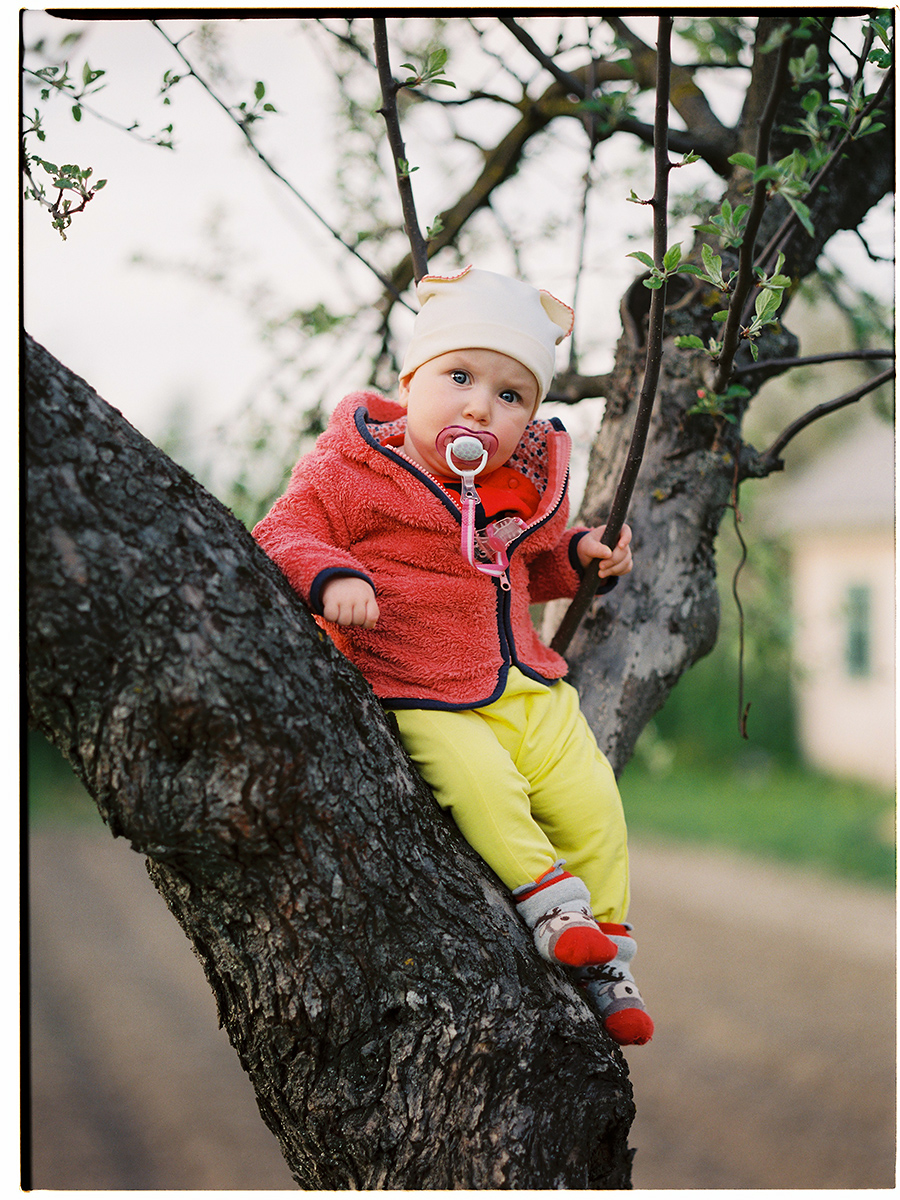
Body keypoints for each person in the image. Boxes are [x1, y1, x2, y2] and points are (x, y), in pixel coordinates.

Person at [252, 266, 653, 1045]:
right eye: (459, 377)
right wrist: (333, 575)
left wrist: (582, 555)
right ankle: (551, 905)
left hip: (525, 683)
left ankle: (608, 953)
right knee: (481, 783)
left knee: (594, 799)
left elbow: (531, 567)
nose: (479, 406)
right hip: (419, 683)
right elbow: (284, 530)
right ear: (410, 381)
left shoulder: (516, 487)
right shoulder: (353, 468)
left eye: (511, 395)